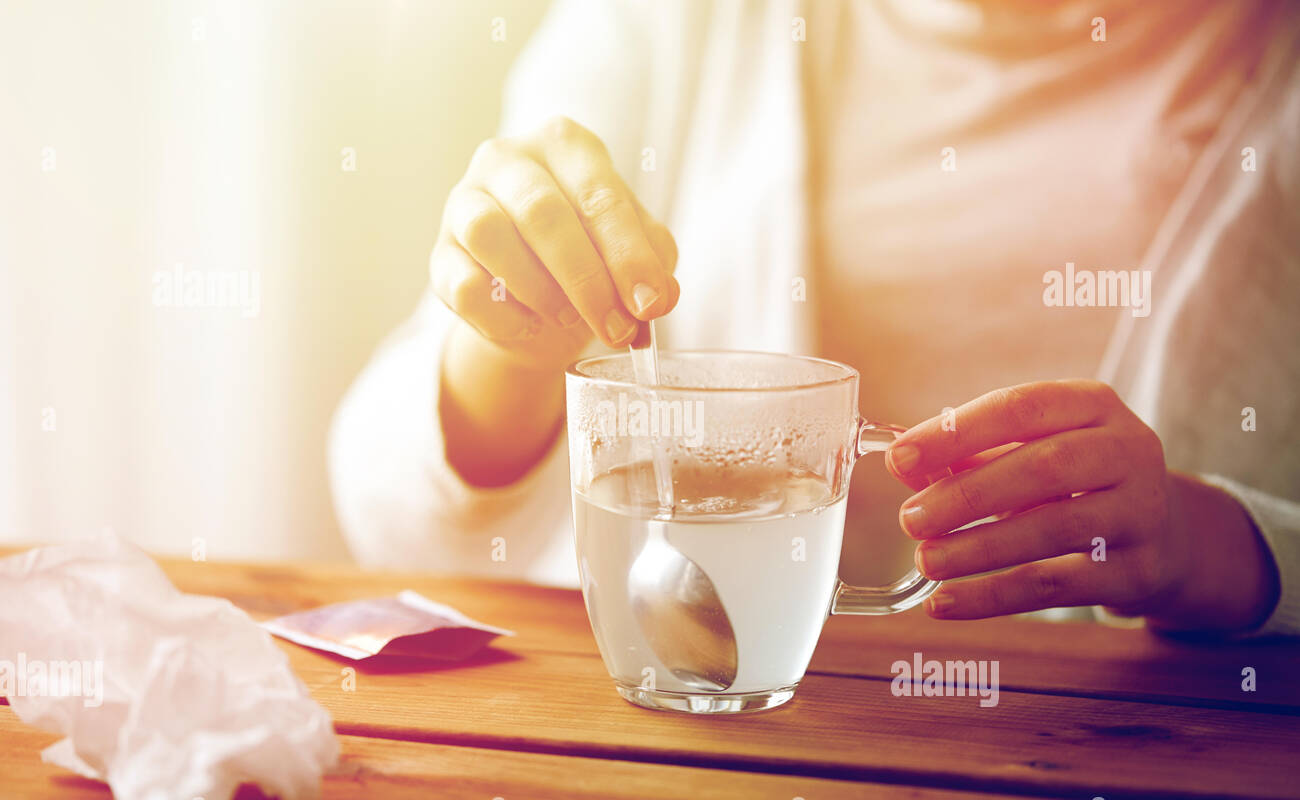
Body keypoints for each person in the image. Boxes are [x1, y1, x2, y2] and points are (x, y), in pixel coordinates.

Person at [329, 0, 1300, 638]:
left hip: (1156, 788)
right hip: (726, 763)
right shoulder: (673, 26)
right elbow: (394, 517)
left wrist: (1210, 543)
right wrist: (511, 348)